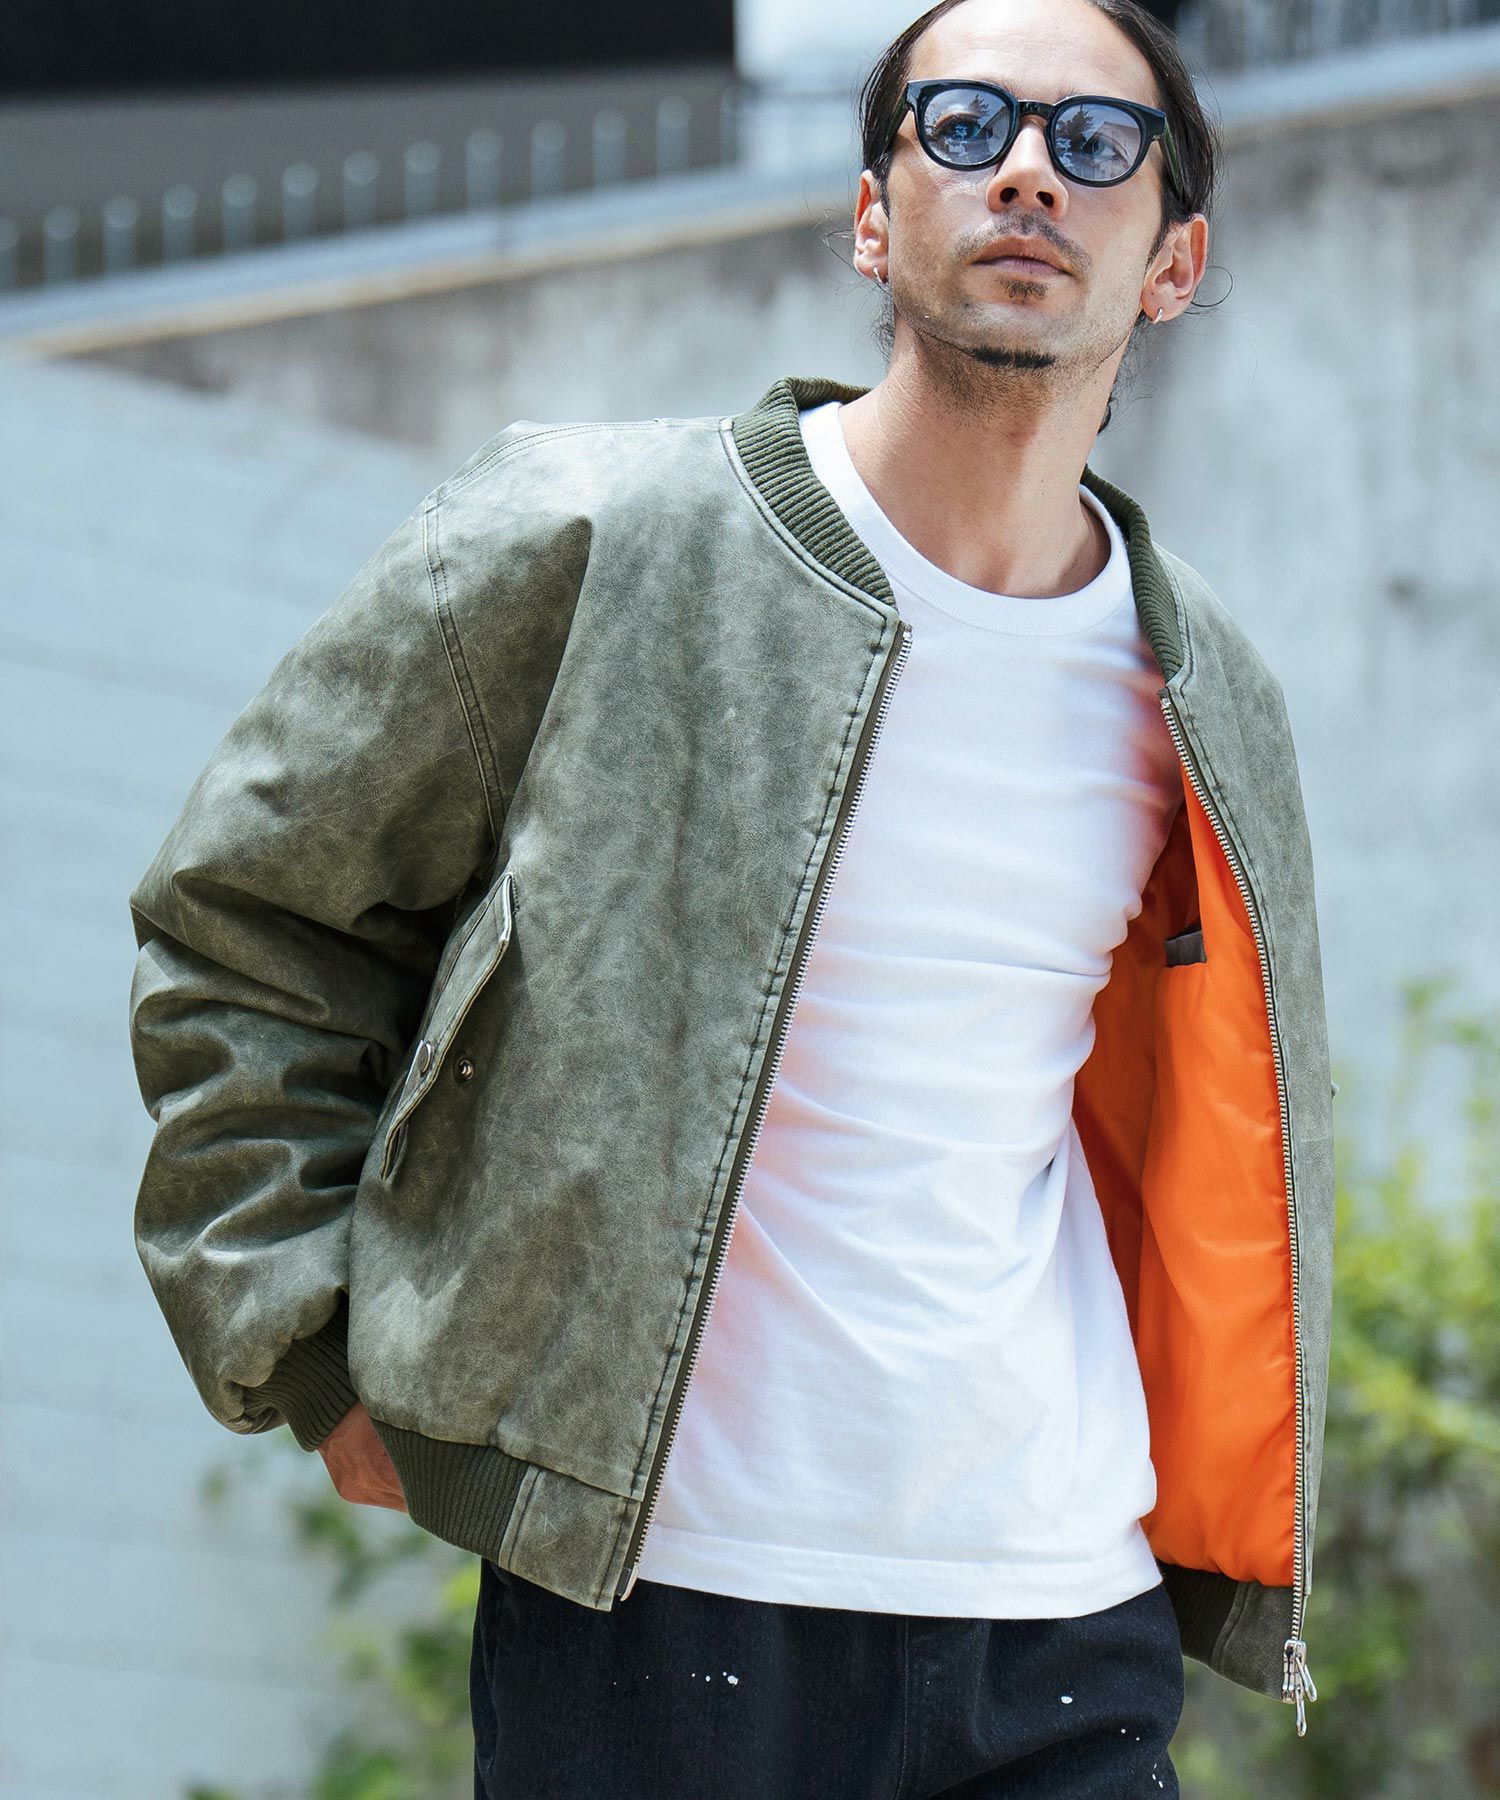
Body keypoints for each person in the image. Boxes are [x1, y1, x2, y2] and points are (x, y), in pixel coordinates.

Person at [127, 0, 1336, 1792]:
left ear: (1174, 262)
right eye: (964, 124)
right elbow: (249, 922)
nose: (1026, 171)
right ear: (871, 215)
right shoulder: (594, 535)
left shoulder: (1202, 687)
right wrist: (309, 1345)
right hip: (660, 1596)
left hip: (1060, 1603)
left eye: (1096, 143)